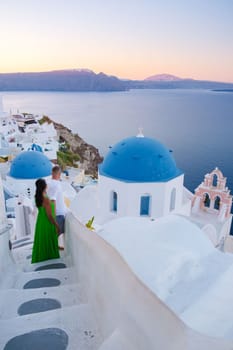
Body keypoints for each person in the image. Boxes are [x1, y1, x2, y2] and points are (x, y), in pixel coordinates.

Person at [31, 178, 60, 263]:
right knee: (48, 239)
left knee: (42, 240)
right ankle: (49, 258)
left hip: (40, 222)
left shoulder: (37, 196)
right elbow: (49, 215)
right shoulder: (45, 198)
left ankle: (43, 258)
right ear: (44, 186)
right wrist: (56, 225)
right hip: (47, 222)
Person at [47, 165, 68, 249]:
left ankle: (55, 247)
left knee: (56, 233)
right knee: (56, 232)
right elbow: (52, 199)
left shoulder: (50, 183)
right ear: (59, 174)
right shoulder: (55, 185)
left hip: (57, 213)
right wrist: (53, 215)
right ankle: (52, 249)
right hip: (58, 214)